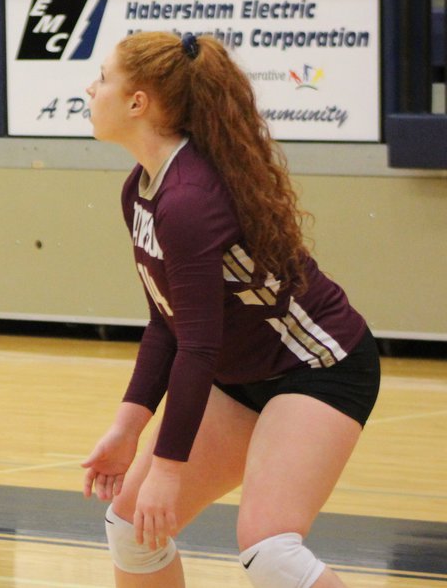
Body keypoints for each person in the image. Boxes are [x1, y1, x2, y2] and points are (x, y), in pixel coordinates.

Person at [79, 31, 380, 588]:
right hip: (240, 376)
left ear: (137, 102)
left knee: (270, 551)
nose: (90, 89)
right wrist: (127, 428)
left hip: (318, 367)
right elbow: (166, 325)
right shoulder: (141, 190)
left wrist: (167, 469)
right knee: (132, 529)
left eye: (102, 79)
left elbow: (198, 345)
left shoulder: (188, 199)